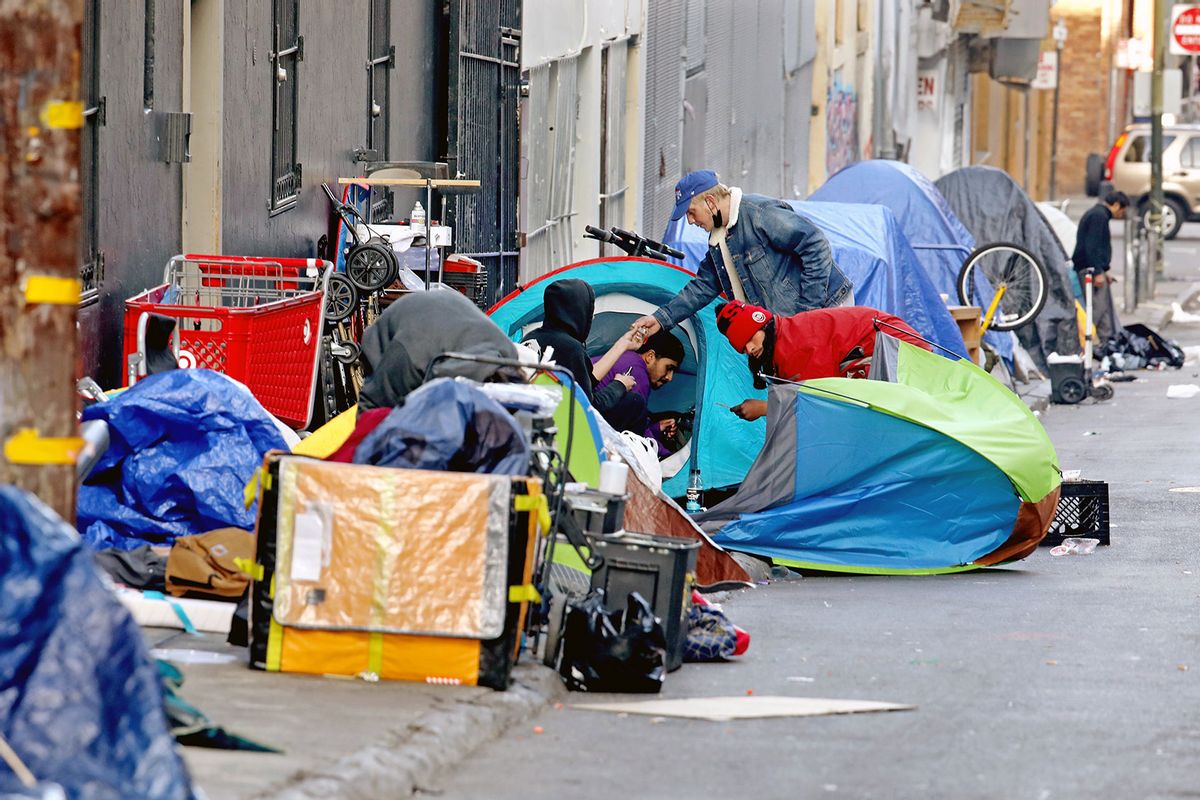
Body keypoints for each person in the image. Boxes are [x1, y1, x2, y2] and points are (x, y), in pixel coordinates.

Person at [632, 169, 853, 340]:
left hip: (827, 308)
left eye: (691, 212)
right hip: (789, 327)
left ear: (710, 202)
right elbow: (702, 287)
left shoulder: (758, 214)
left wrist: (807, 314)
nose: (691, 221)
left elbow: (816, 245)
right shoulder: (719, 240)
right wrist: (660, 319)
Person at [715, 300, 932, 421]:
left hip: (899, 352)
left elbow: (823, 399)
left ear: (762, 326)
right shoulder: (782, 337)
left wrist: (764, 408)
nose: (750, 348)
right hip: (886, 349)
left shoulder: (796, 346)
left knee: (859, 412)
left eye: (750, 339)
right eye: (742, 347)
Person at [521, 278, 638, 409]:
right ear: (578, 312)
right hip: (562, 424)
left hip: (529, 417)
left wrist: (623, 344)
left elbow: (584, 382)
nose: (592, 318)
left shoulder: (532, 337)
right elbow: (588, 408)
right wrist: (619, 385)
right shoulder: (570, 348)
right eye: (589, 312)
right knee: (635, 402)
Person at [593, 330, 684, 456]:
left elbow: (634, 423)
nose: (670, 377)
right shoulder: (637, 372)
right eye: (669, 368)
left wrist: (656, 429)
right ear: (650, 356)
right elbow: (637, 438)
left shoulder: (628, 358)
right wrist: (669, 457)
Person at [1072, 190, 1129, 343]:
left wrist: (1104, 271)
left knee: (1102, 309)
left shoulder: (1098, 214)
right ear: (1116, 205)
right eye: (1122, 210)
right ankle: (1084, 339)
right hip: (1089, 270)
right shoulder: (1099, 216)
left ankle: (1107, 342)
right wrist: (1097, 271)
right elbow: (1092, 246)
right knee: (1096, 308)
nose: (1122, 214)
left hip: (1092, 268)